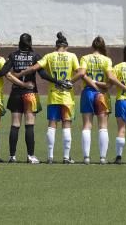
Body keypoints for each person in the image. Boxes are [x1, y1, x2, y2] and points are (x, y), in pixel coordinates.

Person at [0, 33, 54, 164]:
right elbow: (43, 75)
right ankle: (30, 156)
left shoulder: (13, 55)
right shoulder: (35, 56)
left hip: (16, 93)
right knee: (29, 125)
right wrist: (58, 81)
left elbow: (3, 72)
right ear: (30, 43)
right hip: (30, 93)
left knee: (15, 125)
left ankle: (12, 156)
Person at [18, 32, 81, 164]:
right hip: (67, 97)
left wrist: (22, 73)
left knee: (52, 125)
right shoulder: (72, 56)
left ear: (56, 46)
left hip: (53, 96)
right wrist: (70, 81)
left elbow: (35, 67)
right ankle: (65, 157)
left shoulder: (49, 56)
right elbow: (81, 72)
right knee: (67, 126)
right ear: (66, 46)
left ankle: (50, 156)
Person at [76, 36, 114, 164]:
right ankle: (103, 158)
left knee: (87, 125)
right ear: (103, 47)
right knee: (103, 126)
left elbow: (82, 73)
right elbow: (109, 78)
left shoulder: (85, 58)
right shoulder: (107, 60)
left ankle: (86, 157)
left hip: (87, 92)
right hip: (102, 93)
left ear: (92, 46)